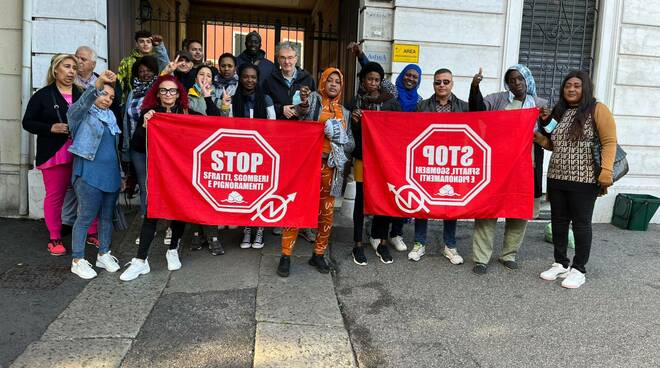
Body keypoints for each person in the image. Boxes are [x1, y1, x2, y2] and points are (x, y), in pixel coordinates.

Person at [534, 71, 617, 289]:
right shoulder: (560, 112)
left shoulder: (598, 109)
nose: (571, 89)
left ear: (585, 88)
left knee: (581, 224)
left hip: (585, 178)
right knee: (559, 222)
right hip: (557, 176)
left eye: (577, 86)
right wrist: (542, 137)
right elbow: (555, 144)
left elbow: (609, 142)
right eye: (568, 85)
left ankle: (579, 269)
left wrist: (606, 170)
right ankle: (560, 263)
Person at [468, 64, 550, 274]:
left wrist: (546, 119)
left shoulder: (540, 104)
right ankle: (481, 259)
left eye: (520, 79)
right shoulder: (497, 100)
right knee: (488, 211)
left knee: (519, 212)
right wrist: (475, 87)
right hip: (497, 165)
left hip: (527, 167)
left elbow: (551, 134)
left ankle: (509, 255)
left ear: (527, 79)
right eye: (512, 80)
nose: (516, 83)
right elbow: (477, 111)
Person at [276, 67, 354, 277]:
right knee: (296, 209)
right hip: (307, 167)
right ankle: (285, 256)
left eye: (338, 81)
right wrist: (303, 105)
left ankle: (318, 254)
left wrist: (340, 138)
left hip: (331, 169)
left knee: (326, 215)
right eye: (330, 80)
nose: (333, 84)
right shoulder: (312, 102)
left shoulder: (344, 112)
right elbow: (299, 118)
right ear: (322, 82)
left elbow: (351, 144)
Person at [120, 75, 196, 281]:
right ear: (157, 93)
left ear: (179, 93)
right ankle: (140, 260)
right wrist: (146, 125)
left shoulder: (186, 112)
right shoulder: (150, 113)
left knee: (179, 209)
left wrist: (216, 103)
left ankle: (173, 249)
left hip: (181, 171)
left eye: (172, 91)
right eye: (163, 90)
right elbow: (136, 145)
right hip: (158, 171)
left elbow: (211, 123)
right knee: (153, 210)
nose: (168, 94)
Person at [21, 54, 99, 256]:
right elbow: (27, 122)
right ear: (56, 69)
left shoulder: (82, 93)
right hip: (55, 154)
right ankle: (54, 237)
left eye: (74, 67)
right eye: (67, 66)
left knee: (88, 194)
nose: (72, 71)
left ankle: (92, 232)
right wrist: (50, 128)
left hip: (82, 152)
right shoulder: (43, 95)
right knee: (55, 197)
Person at [66, 71, 124, 279]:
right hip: (88, 174)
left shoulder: (112, 118)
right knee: (85, 217)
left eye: (111, 97)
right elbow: (81, 103)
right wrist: (97, 85)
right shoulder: (81, 116)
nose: (107, 99)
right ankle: (78, 259)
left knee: (106, 217)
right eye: (103, 94)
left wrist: (122, 174)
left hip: (111, 175)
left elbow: (114, 149)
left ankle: (103, 253)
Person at [408, 68, 468, 265]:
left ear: (452, 84)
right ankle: (419, 243)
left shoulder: (464, 107)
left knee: (451, 203)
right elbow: (413, 132)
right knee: (422, 201)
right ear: (433, 84)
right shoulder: (422, 106)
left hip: (453, 162)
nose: (441, 85)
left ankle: (449, 246)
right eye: (437, 82)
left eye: (445, 81)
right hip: (427, 161)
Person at [366, 64, 425, 263]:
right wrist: (359, 55)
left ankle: (396, 234)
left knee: (404, 192)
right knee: (385, 192)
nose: (410, 79)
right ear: (402, 75)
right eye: (407, 75)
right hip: (386, 150)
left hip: (408, 154)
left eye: (415, 77)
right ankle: (376, 234)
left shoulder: (419, 101)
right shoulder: (391, 92)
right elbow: (375, 72)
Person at [219, 63, 276, 249]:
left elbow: (273, 126)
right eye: (245, 76)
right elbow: (227, 127)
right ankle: (247, 228)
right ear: (240, 77)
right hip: (240, 155)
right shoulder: (233, 99)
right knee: (246, 192)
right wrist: (225, 107)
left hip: (261, 154)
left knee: (261, 191)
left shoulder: (266, 99)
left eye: (253, 77)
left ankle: (259, 228)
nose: (249, 80)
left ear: (257, 79)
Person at [350, 61, 398, 265]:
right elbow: (349, 134)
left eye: (377, 79)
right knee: (361, 200)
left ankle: (381, 241)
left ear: (381, 81)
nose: (373, 82)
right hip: (362, 157)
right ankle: (358, 244)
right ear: (363, 80)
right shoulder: (356, 102)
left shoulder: (391, 102)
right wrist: (354, 121)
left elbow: (399, 129)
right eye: (369, 79)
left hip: (383, 160)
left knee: (384, 198)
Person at [187, 65, 225, 256]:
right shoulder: (187, 95)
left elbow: (218, 120)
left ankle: (212, 234)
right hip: (191, 151)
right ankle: (196, 232)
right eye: (201, 74)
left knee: (210, 193)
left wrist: (209, 97)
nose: (204, 78)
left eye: (208, 75)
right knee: (195, 192)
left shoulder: (218, 96)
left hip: (212, 153)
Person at [122, 56, 159, 217]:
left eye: (148, 70)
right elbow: (125, 119)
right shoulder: (133, 93)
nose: (145, 74)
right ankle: (146, 217)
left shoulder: (159, 90)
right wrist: (125, 148)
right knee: (144, 185)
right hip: (137, 146)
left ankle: (162, 217)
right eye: (141, 71)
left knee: (159, 184)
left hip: (157, 146)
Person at [117, 31, 169, 103]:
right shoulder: (127, 61)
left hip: (155, 98)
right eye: (142, 41)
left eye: (148, 41)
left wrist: (159, 46)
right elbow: (120, 83)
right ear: (137, 44)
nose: (145, 44)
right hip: (134, 99)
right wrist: (121, 103)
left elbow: (166, 68)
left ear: (152, 44)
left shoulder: (158, 59)